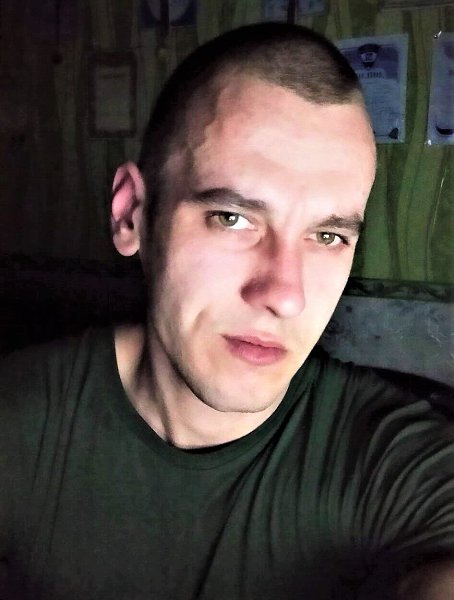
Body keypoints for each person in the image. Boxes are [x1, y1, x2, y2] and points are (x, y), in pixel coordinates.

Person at [0, 22, 453, 600]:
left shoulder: (398, 461)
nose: (285, 294)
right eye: (233, 218)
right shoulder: (19, 421)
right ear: (132, 214)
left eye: (328, 236)